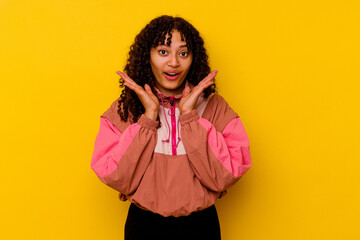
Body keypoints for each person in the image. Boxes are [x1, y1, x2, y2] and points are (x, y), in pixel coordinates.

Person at [91, 15, 251, 240]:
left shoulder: (215, 107)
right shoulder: (125, 109)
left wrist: (189, 117)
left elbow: (224, 177)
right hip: (143, 226)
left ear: (193, 58)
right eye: (163, 52)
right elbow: (116, 177)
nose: (174, 62)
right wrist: (149, 118)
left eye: (183, 53)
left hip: (201, 226)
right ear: (148, 56)